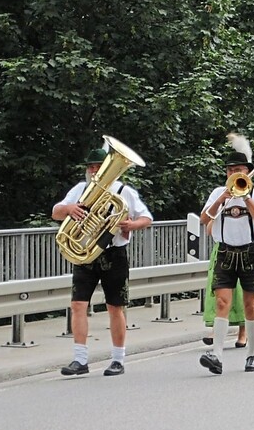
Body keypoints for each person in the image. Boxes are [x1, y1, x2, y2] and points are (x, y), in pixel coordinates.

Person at [52, 145, 153, 376]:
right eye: (91, 167)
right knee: (78, 305)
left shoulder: (123, 190)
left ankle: (118, 359)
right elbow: (55, 212)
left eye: (98, 166)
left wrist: (131, 225)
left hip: (113, 254)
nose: (94, 170)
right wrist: (69, 209)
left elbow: (146, 218)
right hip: (84, 252)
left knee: (115, 307)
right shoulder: (79, 189)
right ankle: (80, 360)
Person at [198, 134, 254, 374]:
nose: (233, 174)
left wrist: (246, 197)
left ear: (247, 172)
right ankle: (217, 355)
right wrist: (221, 199)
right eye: (230, 170)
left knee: (250, 305)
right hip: (225, 252)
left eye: (237, 170)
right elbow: (204, 219)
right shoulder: (219, 192)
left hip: (250, 252)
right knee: (222, 302)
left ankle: (252, 354)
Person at [202, 220, 246, 349]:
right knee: (218, 294)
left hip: (243, 250)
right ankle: (217, 331)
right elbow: (209, 230)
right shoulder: (221, 204)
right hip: (222, 251)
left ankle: (243, 332)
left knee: (241, 292)